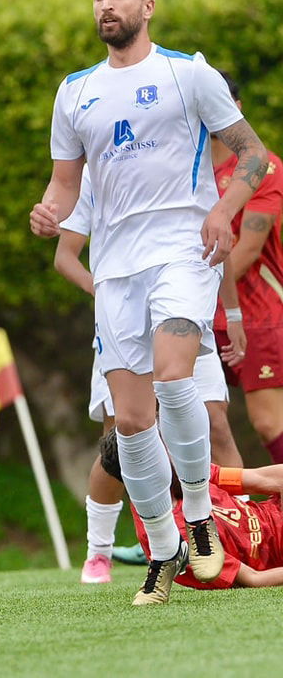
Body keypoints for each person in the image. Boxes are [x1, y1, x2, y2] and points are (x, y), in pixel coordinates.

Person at [30, 0, 268, 605]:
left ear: (148, 6)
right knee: (130, 424)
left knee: (174, 376)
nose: (106, 4)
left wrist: (221, 209)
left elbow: (254, 153)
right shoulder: (74, 91)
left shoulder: (189, 75)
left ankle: (198, 513)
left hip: (181, 250)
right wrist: (51, 208)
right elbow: (65, 180)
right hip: (115, 269)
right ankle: (163, 549)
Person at [54, 166, 245, 584]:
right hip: (122, 315)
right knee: (120, 438)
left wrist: (231, 314)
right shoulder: (96, 167)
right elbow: (64, 252)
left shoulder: (186, 158)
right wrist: (105, 292)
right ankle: (112, 552)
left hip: (183, 313)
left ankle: (226, 529)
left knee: (215, 424)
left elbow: (219, 243)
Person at [101, 427, 283, 591]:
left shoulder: (191, 473)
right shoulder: (174, 541)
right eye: (161, 446)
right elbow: (254, 579)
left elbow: (263, 478)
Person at [210, 71, 283, 465]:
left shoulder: (263, 167)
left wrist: (196, 290)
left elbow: (249, 249)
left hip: (260, 312)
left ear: (236, 109)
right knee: (207, 421)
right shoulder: (186, 171)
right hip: (203, 315)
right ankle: (231, 520)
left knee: (268, 423)